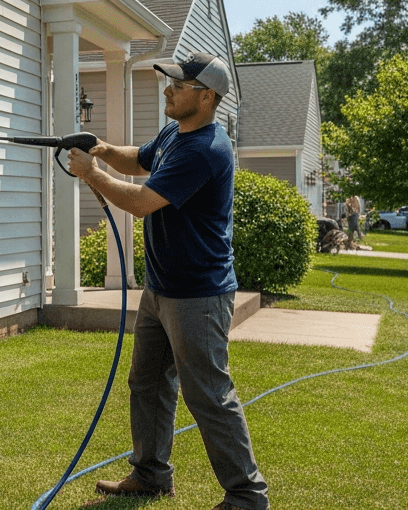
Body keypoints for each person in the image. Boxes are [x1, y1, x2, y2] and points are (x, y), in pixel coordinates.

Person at [67, 52, 269, 510]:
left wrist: (92, 173)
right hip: (161, 289)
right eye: (170, 83)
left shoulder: (206, 150)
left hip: (198, 294)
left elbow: (140, 201)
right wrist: (101, 148)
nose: (168, 91)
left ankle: (247, 496)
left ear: (206, 96)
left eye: (178, 85)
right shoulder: (177, 134)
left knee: (210, 395)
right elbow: (139, 161)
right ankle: (151, 474)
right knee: (148, 383)